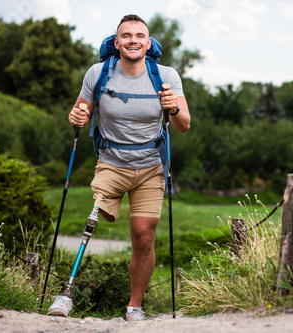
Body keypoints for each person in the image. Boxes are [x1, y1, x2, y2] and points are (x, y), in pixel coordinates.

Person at [47, 14, 190, 321]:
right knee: (91, 221)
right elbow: (80, 112)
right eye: (126, 35)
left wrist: (173, 108)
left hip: (151, 165)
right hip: (111, 161)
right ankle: (65, 296)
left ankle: (134, 308)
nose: (133, 40)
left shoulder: (166, 76)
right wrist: (76, 119)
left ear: (148, 43)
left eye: (140, 35)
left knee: (143, 235)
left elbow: (183, 125)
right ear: (117, 42)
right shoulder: (98, 73)